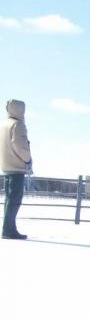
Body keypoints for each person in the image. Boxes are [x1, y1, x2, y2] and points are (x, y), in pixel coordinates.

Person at [1, 99, 32, 240]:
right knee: (14, 200)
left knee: (9, 200)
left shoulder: (4, 124)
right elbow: (21, 146)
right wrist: (28, 160)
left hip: (6, 166)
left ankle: (8, 228)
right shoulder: (17, 125)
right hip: (16, 166)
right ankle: (9, 230)